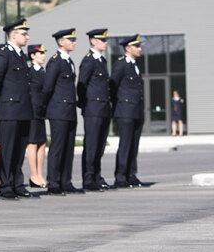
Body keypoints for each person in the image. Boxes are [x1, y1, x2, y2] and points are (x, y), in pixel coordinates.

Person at [0, 18, 34, 200]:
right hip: (9, 108)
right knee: (7, 148)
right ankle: (6, 185)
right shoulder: (4, 54)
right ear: (13, 35)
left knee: (19, 148)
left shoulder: (21, 55)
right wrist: (1, 102)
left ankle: (17, 183)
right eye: (23, 34)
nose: (27, 37)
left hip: (22, 108)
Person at [42, 28, 82, 196]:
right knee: (58, 147)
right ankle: (53, 182)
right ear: (60, 42)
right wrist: (45, 108)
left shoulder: (68, 61)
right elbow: (48, 87)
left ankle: (66, 181)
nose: (74, 42)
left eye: (74, 39)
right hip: (58, 110)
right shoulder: (55, 61)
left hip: (69, 109)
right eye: (70, 39)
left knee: (68, 147)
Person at [78, 28, 112, 192]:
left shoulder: (101, 61)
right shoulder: (89, 60)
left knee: (99, 145)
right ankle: (89, 178)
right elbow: (81, 85)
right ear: (93, 41)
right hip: (92, 108)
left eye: (105, 40)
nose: (105, 43)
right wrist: (85, 105)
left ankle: (97, 176)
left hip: (103, 107)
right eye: (102, 40)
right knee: (91, 145)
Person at [111, 34, 147, 188]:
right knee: (125, 144)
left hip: (136, 110)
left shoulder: (135, 64)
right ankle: (120, 177)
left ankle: (131, 175)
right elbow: (113, 86)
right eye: (137, 46)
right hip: (125, 111)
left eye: (140, 46)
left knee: (134, 145)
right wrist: (117, 105)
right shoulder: (121, 64)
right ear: (128, 48)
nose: (140, 49)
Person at [26, 44, 48, 188]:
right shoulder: (30, 72)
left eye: (43, 53)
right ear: (33, 56)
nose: (43, 56)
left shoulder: (43, 72)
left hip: (41, 110)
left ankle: (40, 174)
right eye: (40, 53)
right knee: (33, 143)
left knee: (42, 143)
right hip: (32, 110)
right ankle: (33, 175)